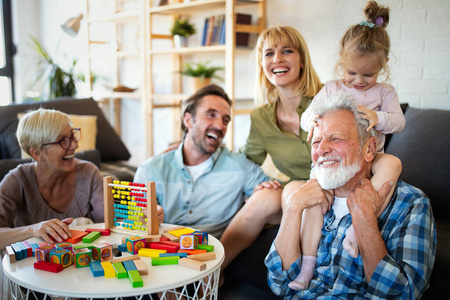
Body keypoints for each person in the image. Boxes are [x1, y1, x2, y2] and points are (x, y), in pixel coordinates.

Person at [265, 91, 436, 299]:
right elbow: (279, 283)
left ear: (370, 149)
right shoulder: (307, 199)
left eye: (335, 138)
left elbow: (401, 295)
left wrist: (365, 221)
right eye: (316, 142)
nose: (322, 150)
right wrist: (293, 207)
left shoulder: (411, 204)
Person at [290, 1, 406, 290]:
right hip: (333, 162)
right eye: (352, 73)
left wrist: (378, 116)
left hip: (370, 158)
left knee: (393, 164)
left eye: (368, 75)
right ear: (342, 64)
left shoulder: (385, 92)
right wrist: (314, 119)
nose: (358, 81)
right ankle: (307, 268)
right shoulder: (331, 88)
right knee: (314, 203)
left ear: (383, 66)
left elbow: (399, 123)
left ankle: (357, 231)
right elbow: (306, 119)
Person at [219, 24, 323, 272]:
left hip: (335, 187)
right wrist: (191, 148)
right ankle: (211, 274)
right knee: (263, 197)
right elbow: (244, 159)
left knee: (293, 195)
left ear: (301, 61)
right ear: (262, 64)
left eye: (287, 51)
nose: (277, 59)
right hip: (297, 193)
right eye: (269, 53)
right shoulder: (261, 118)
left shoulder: (328, 99)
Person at [134, 84, 280, 241]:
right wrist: (145, 219)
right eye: (211, 115)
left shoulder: (240, 166)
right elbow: (135, 224)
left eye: (225, 120)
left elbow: (279, 204)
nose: (220, 126)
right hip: (163, 256)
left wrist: (265, 193)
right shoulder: (150, 170)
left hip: (219, 257)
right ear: (188, 120)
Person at [0, 108, 104, 250]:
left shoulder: (90, 172)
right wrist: (34, 229)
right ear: (37, 153)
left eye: (73, 136)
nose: (75, 145)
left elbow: (108, 222)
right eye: (62, 140)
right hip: (32, 267)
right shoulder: (17, 180)